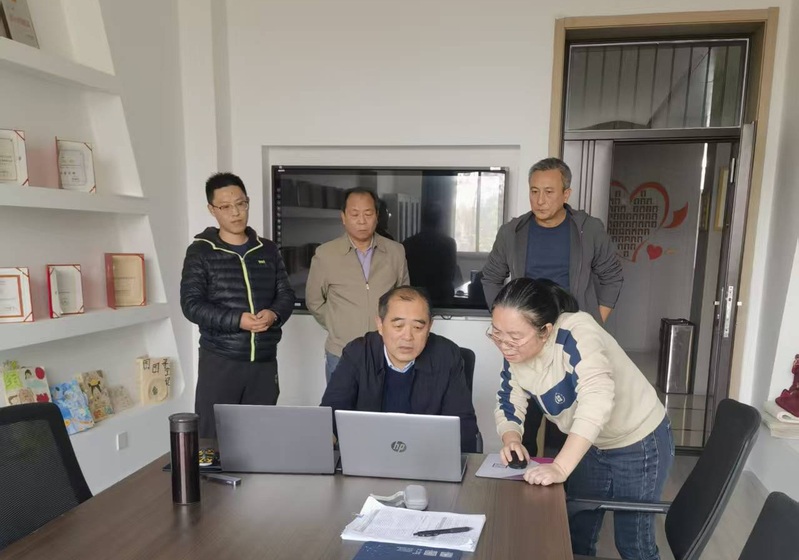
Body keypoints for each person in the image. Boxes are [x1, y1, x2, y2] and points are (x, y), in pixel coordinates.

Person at [490, 278, 672, 559]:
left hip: (638, 440)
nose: (505, 345)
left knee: (633, 543)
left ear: (545, 331)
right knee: (576, 533)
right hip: (591, 442)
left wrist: (560, 467)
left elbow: (597, 398)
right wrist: (511, 438)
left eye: (514, 336)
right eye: (496, 334)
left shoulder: (577, 331)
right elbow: (508, 397)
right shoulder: (513, 351)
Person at [481, 157, 623, 456]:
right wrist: (507, 324)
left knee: (571, 417)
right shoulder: (512, 232)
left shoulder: (588, 230)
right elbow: (491, 276)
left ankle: (566, 475)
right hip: (528, 334)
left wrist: (594, 321)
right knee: (522, 412)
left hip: (570, 336)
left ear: (566, 194)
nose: (540, 200)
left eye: (548, 192)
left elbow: (611, 276)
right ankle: (522, 470)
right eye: (534, 191)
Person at [181, 172, 295, 438]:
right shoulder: (201, 251)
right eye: (225, 206)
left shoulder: (267, 249)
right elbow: (191, 304)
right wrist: (238, 320)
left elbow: (286, 295)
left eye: (240, 204)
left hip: (264, 362)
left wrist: (273, 314)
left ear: (247, 203)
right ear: (212, 209)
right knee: (213, 439)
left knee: (260, 438)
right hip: (221, 360)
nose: (235, 212)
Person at [321, 286, 478, 452]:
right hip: (368, 454)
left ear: (429, 326)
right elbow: (331, 413)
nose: (407, 337)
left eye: (418, 327)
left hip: (427, 456)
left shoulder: (446, 355)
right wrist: (326, 440)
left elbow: (463, 426)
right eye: (398, 326)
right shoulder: (358, 353)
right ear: (380, 324)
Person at [306, 187, 409, 383]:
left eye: (368, 214)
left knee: (386, 402)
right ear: (343, 217)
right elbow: (314, 301)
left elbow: (404, 299)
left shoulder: (396, 252)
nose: (362, 221)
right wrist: (337, 325)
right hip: (341, 352)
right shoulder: (325, 254)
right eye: (354, 214)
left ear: (377, 216)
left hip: (386, 351)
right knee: (341, 402)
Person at [402, 203, 459, 306]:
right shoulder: (448, 243)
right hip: (442, 299)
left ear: (422, 220)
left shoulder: (408, 243)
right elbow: (450, 274)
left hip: (416, 297)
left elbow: (404, 275)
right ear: (441, 220)